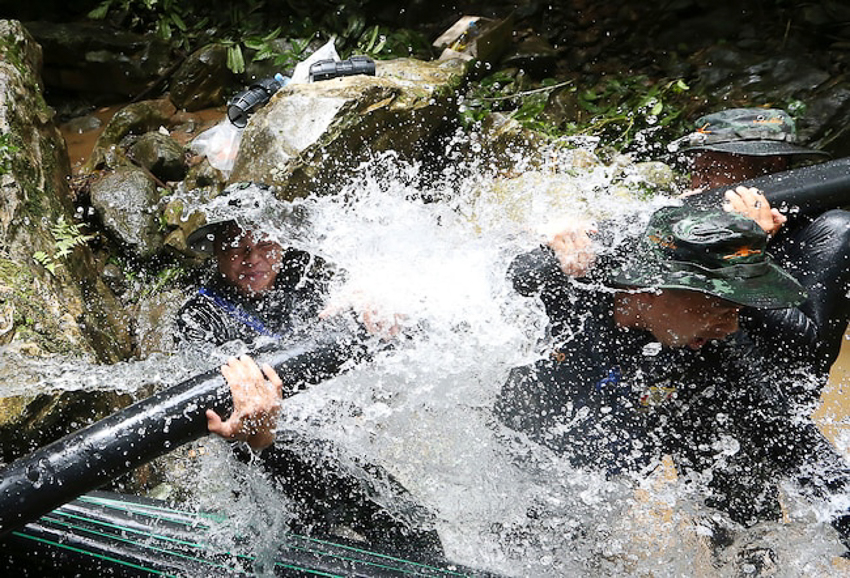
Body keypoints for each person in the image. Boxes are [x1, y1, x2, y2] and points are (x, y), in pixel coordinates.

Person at [496, 204, 850, 549]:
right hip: (514, 468)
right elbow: (482, 285)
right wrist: (546, 238)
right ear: (654, 288)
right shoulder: (570, 285)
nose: (730, 326)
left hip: (598, 485)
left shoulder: (711, 353)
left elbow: (796, 446)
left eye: (738, 311)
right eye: (721, 309)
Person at [173, 182, 440, 557]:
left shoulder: (306, 275)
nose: (252, 258)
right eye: (237, 246)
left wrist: (371, 291)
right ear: (216, 250)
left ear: (281, 244)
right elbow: (206, 401)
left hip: (332, 443)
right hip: (260, 452)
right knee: (299, 549)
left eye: (264, 243)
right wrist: (249, 429)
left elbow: (376, 280)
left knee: (419, 533)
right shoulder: (199, 315)